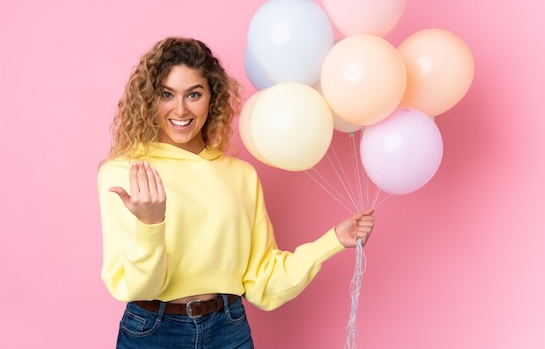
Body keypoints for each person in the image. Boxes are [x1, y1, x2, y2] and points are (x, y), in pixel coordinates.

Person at [98, 36, 375, 348]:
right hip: (153, 331)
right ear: (151, 99)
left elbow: (263, 282)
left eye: (193, 94)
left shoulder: (240, 176)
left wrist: (333, 240)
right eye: (166, 94)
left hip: (227, 329)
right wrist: (150, 224)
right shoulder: (124, 172)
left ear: (211, 98)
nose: (180, 109)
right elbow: (136, 287)